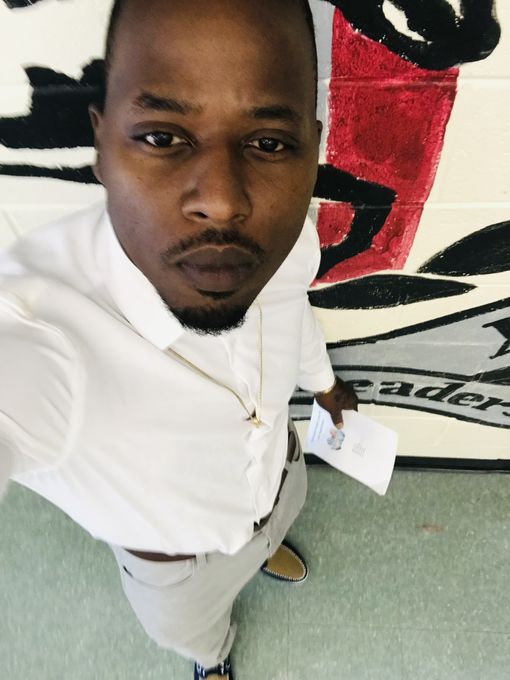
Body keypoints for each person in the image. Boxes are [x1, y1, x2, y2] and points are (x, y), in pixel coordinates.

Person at [0, 0, 358, 677]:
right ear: (101, 145)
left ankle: (262, 550)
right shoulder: (39, 329)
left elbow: (292, 311)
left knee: (272, 525)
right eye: (163, 137)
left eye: (269, 143)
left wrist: (323, 385)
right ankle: (212, 660)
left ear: (311, 150)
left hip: (279, 479)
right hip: (178, 569)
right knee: (196, 632)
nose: (222, 202)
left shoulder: (289, 240)